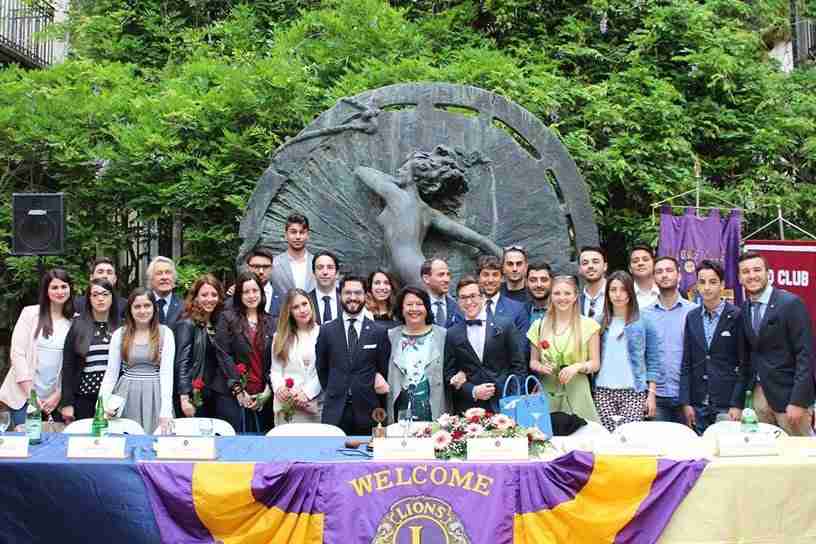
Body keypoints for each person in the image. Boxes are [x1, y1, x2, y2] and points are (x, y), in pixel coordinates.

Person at [355, 145, 502, 288]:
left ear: (416, 177)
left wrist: (397, 181)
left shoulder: (396, 195)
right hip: (403, 269)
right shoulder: (428, 212)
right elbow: (478, 240)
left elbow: (362, 171)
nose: (399, 171)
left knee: (434, 307)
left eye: (405, 169)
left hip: (410, 269)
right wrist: (502, 256)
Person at [738, 251, 814, 436]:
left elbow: (805, 355)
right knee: (765, 458)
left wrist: (798, 401)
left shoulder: (790, 303)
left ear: (768, 273)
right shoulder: (745, 308)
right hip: (758, 399)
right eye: (746, 271)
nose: (752, 275)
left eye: (757, 270)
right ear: (740, 278)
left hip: (789, 399)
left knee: (802, 459)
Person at [316, 275, 391, 435]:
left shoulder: (379, 332)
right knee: (332, 456)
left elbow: (384, 369)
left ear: (365, 296)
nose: (352, 298)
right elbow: (322, 369)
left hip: (370, 411)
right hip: (335, 411)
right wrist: (336, 389)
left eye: (358, 293)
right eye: (347, 293)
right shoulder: (326, 331)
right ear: (340, 295)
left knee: (371, 457)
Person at [0, 269, 75, 427]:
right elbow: (17, 355)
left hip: (53, 400)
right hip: (23, 396)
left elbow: (71, 365)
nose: (60, 291)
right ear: (46, 290)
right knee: (25, 444)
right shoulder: (30, 314)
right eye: (54, 287)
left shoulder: (74, 321)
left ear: (70, 289)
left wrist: (59, 394)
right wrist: (31, 395)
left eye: (64, 286)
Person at [679, 260, 744, 434]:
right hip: (698, 402)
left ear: (722, 285)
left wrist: (737, 404)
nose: (707, 287)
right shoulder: (692, 317)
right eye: (702, 282)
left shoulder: (737, 315)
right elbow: (686, 361)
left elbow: (745, 363)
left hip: (726, 402)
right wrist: (686, 402)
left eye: (713, 282)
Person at [443, 277, 525, 414]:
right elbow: (448, 373)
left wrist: (512, 398)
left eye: (473, 296)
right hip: (468, 408)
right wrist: (472, 391)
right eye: (463, 298)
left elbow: (519, 366)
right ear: (458, 301)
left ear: (482, 298)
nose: (468, 302)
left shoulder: (505, 325)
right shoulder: (452, 333)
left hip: (504, 404)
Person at [100, 288, 175, 434]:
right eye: (137, 306)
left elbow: (167, 374)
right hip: (125, 394)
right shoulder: (119, 334)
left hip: (155, 394)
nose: (142, 311)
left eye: (147, 306)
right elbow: (110, 375)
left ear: (154, 308)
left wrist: (165, 410)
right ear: (130, 310)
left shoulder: (165, 333)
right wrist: (102, 405)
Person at [527, 274, 601, 423]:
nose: (562, 298)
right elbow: (533, 362)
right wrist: (541, 367)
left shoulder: (589, 325)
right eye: (557, 293)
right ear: (551, 296)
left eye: (567, 293)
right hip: (548, 391)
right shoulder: (539, 325)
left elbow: (595, 363)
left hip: (578, 391)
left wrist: (577, 367)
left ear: (575, 296)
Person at [593, 271, 659, 432]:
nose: (618, 295)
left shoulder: (644, 321)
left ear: (630, 292)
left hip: (634, 392)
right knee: (607, 440)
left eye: (623, 289)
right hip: (603, 392)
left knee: (629, 439)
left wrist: (651, 395)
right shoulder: (599, 322)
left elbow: (653, 360)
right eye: (613, 289)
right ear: (607, 293)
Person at [215, 271, 275, 433]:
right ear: (239, 295)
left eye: (255, 291)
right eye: (246, 292)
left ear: (261, 293)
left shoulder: (271, 321)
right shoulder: (227, 318)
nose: (251, 295)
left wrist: (268, 391)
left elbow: (276, 360)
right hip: (233, 396)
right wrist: (238, 390)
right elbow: (223, 355)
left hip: (263, 396)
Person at [60, 279, 122, 423]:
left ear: (112, 297)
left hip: (114, 398)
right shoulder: (78, 326)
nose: (100, 299)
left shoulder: (122, 326)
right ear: (89, 299)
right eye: (95, 295)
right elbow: (68, 367)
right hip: (84, 397)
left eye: (105, 294)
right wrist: (67, 403)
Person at [385, 286, 450, 423]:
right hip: (400, 413)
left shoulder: (442, 335)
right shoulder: (391, 336)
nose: (414, 309)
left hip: (434, 411)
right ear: (401, 309)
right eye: (409, 304)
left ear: (426, 308)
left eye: (419, 304)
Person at [647, 256, 697, 423]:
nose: (664, 275)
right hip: (656, 396)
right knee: (659, 447)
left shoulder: (694, 312)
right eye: (659, 271)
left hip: (688, 395)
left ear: (679, 275)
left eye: (669, 270)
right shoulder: (644, 314)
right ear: (654, 278)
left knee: (689, 447)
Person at [173, 274, 225, 419]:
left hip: (212, 394)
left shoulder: (217, 323)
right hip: (193, 396)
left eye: (214, 294)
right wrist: (184, 398)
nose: (210, 299)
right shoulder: (187, 323)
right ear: (195, 297)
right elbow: (181, 362)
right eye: (204, 295)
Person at [270, 289, 322, 425]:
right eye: (296, 307)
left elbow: (324, 370)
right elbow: (275, 370)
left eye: (304, 304)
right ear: (289, 312)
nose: (302, 310)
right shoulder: (279, 337)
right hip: (287, 406)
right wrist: (280, 388)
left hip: (313, 405)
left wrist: (307, 392)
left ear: (311, 304)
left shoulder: (324, 334)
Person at [476, 255, 529, 338]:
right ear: (478, 278)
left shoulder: (517, 309)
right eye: (486, 275)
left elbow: (521, 346)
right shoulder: (468, 307)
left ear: (502, 278)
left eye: (495, 275)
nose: (490, 280)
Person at [227, 247, 282, 320]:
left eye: (266, 267)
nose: (261, 271)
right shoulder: (234, 295)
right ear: (248, 267)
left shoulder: (282, 298)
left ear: (271, 268)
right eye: (256, 266)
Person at [270, 213, 316, 295]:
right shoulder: (274, 264)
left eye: (302, 232)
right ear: (286, 235)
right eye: (293, 232)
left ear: (307, 235)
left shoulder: (317, 263)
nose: (298, 237)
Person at [421, 257, 463, 328]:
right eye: (441, 275)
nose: (447, 279)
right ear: (426, 279)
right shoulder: (416, 307)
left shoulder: (458, 307)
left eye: (448, 274)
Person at [147, 256, 183, 327]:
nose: (164, 277)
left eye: (168, 272)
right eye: (159, 273)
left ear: (174, 278)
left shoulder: (184, 307)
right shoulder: (142, 305)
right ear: (151, 279)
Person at [308, 250, 341, 325]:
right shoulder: (306, 301)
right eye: (320, 267)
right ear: (313, 273)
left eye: (330, 267)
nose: (325, 272)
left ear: (337, 274)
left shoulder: (347, 299)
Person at [578, 246, 607, 324]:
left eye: (595, 262)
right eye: (585, 263)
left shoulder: (617, 294)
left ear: (605, 266)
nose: (590, 266)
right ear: (579, 269)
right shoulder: (575, 301)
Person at [629, 245, 660, 310]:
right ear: (630, 269)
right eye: (635, 261)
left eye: (645, 260)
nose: (640, 263)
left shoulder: (665, 291)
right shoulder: (625, 293)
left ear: (654, 264)